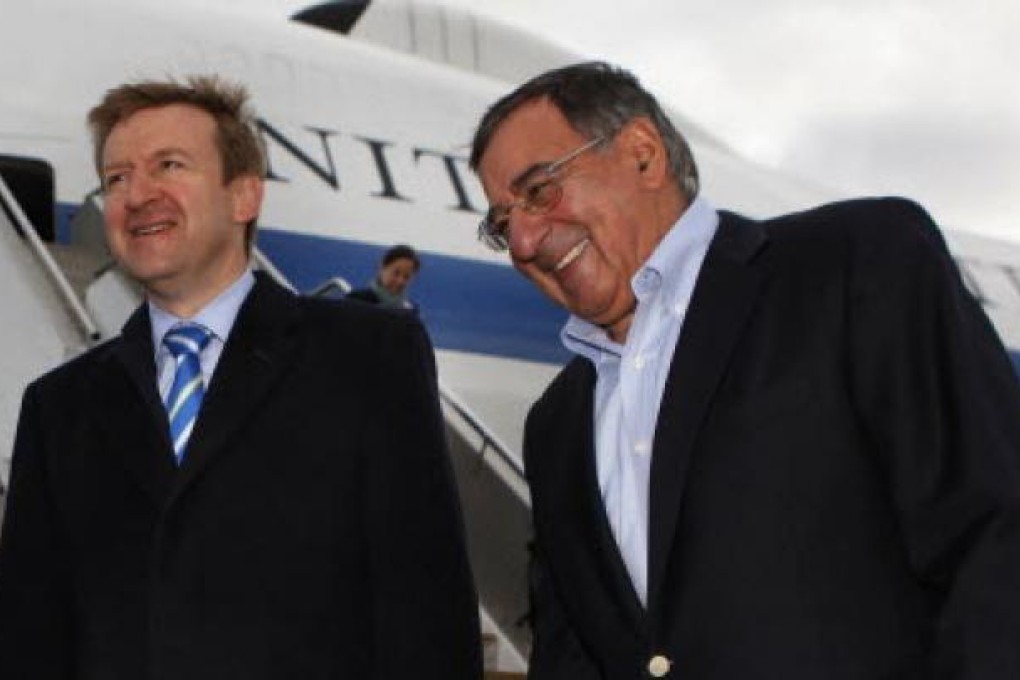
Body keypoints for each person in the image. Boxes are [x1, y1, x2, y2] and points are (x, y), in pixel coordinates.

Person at [469, 61, 1020, 679]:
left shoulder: (853, 265)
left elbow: (993, 540)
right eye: (501, 222)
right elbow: (571, 656)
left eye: (539, 191)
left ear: (643, 154)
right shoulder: (557, 422)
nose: (521, 242)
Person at [0, 76, 481, 680]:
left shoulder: (368, 357)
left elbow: (425, 609)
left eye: (168, 165)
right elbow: (32, 637)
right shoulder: (57, 408)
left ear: (244, 196)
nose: (137, 193)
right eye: (116, 178)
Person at [347, 244, 421, 312]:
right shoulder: (356, 300)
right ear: (382, 268)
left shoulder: (410, 309)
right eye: (396, 273)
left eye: (406, 277)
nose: (400, 281)